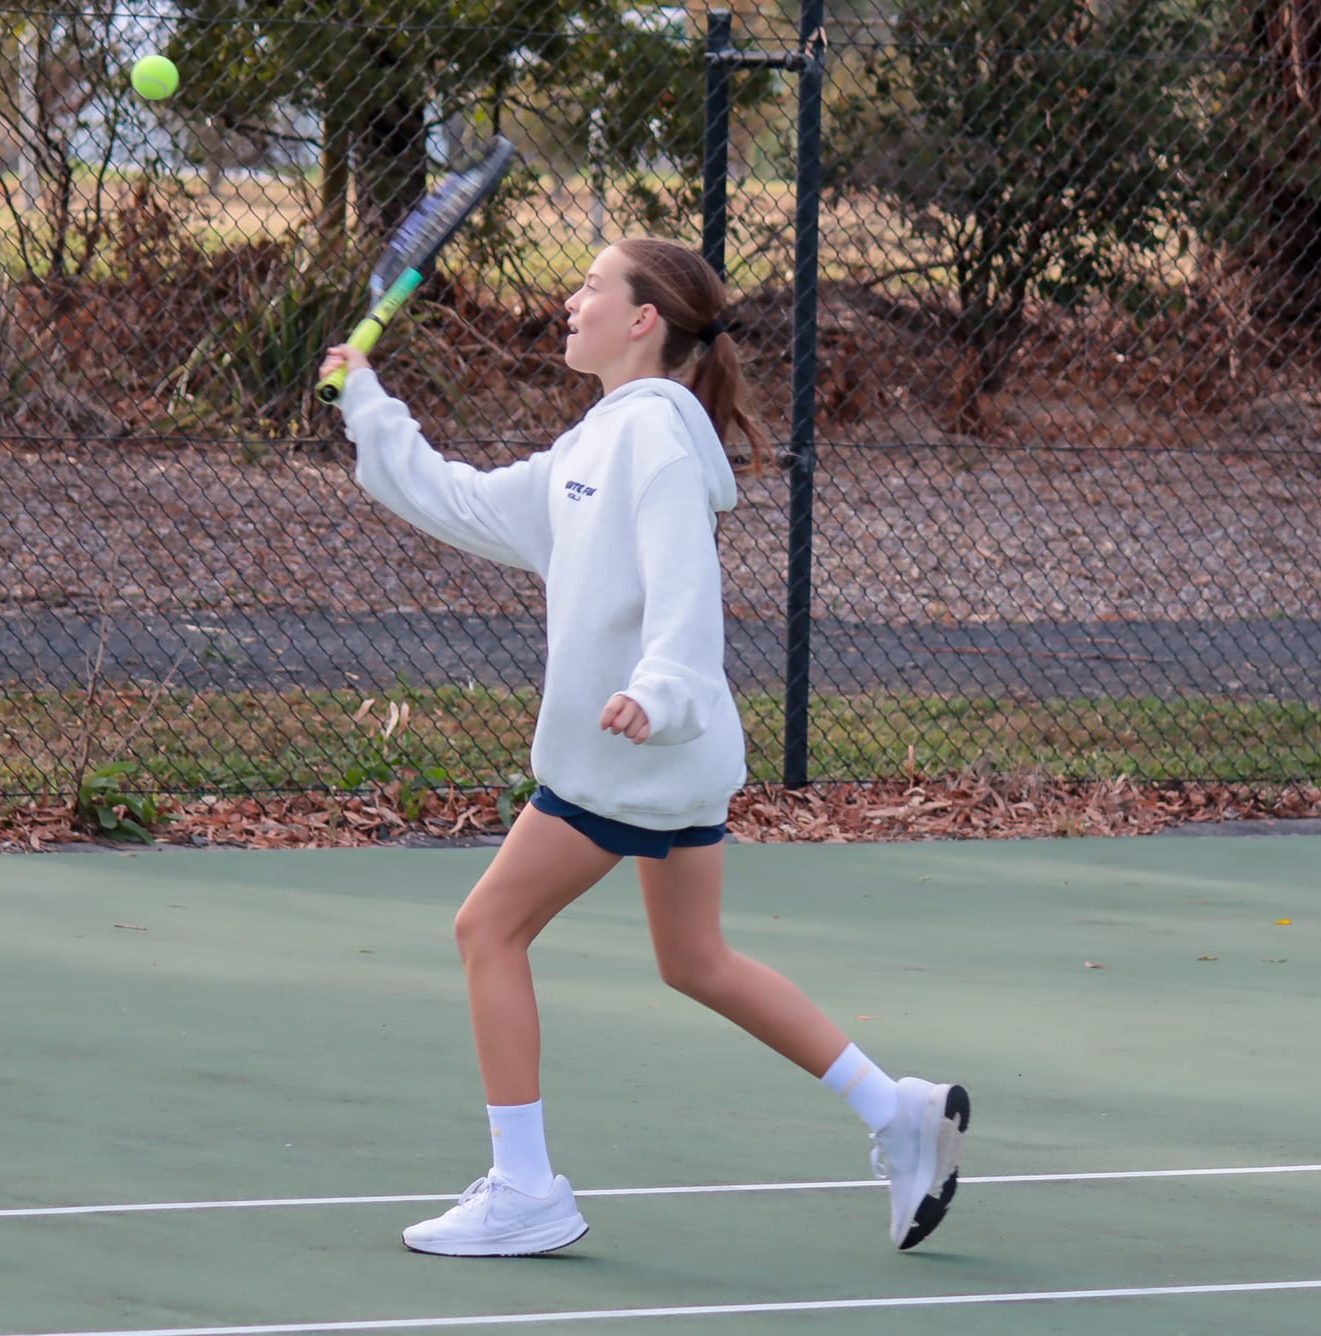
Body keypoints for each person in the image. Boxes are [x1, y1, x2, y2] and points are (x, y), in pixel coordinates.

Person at [317, 237, 969, 1258]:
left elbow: (684, 594)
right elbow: (456, 498)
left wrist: (656, 692)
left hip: (637, 749)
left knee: (487, 929)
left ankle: (524, 1187)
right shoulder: (595, 443)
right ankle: (897, 1111)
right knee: (695, 959)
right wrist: (366, 403)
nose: (568, 304)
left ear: (642, 320)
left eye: (590, 288)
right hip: (667, 756)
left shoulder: (654, 443)